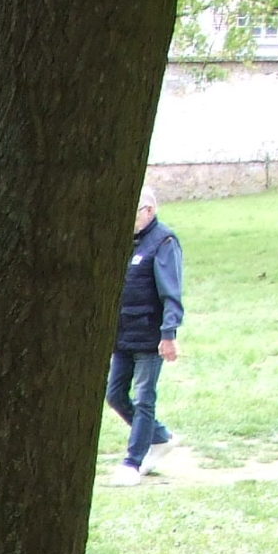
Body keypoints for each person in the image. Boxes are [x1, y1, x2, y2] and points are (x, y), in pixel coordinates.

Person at [106, 188, 183, 487]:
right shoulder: (127, 242)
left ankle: (132, 463)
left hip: (150, 335)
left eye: (134, 211)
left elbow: (171, 292)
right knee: (115, 395)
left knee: (143, 398)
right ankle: (161, 438)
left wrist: (168, 334)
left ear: (149, 211)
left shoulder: (164, 241)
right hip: (123, 335)